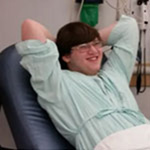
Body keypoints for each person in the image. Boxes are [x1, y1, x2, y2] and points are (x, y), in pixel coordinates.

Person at [16, 15, 150, 150]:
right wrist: (63, 44)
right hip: (113, 145)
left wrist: (88, 40)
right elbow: (30, 26)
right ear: (66, 56)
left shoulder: (115, 74)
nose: (94, 51)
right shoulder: (56, 83)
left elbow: (129, 27)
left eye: (97, 44)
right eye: (83, 47)